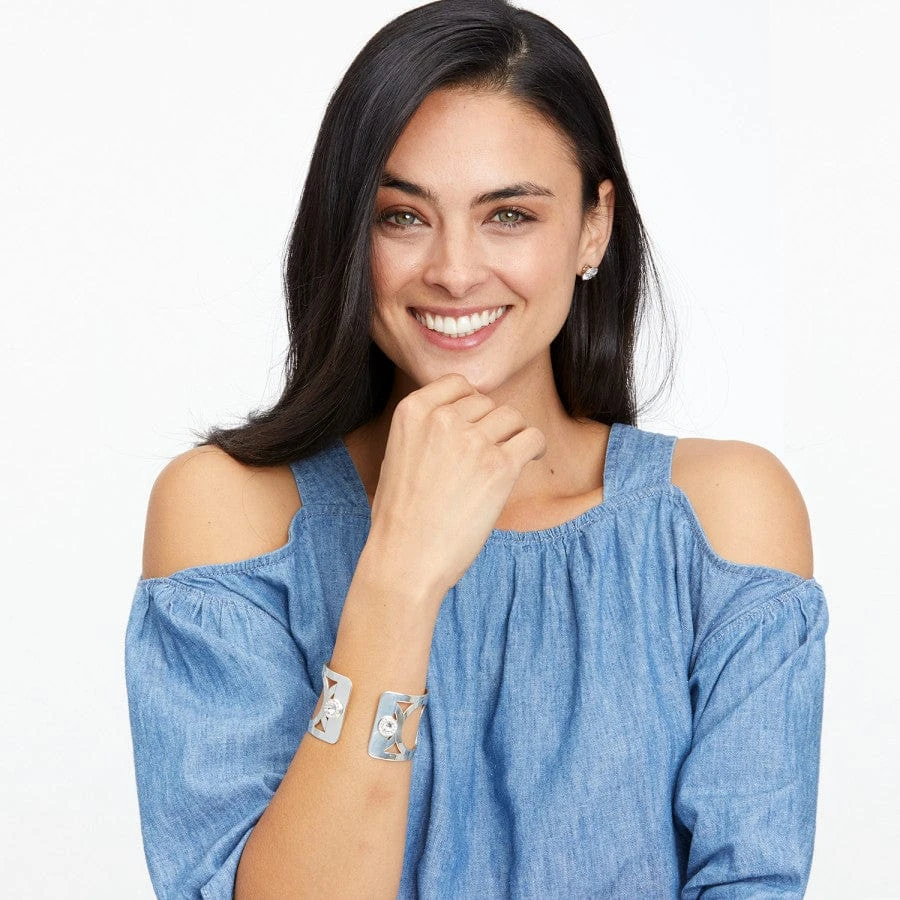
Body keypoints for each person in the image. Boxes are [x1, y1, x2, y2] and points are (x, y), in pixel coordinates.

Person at [124, 1, 829, 897]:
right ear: (350, 232)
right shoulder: (231, 515)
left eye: (509, 215)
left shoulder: (718, 519)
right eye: (402, 217)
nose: (454, 271)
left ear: (594, 226)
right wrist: (398, 578)